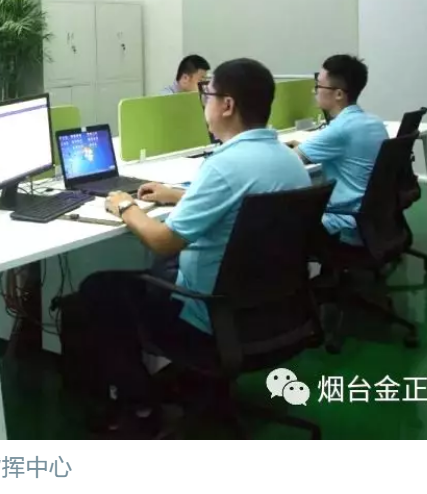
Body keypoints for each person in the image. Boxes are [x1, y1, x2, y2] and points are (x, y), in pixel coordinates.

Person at [78, 58, 311, 436]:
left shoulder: (223, 165)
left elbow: (162, 241)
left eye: (208, 95)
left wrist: (124, 205)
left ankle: (139, 405)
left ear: (227, 105)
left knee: (98, 291)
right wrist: (177, 195)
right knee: (147, 277)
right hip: (275, 311)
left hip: (210, 318)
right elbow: (238, 201)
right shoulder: (289, 161)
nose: (204, 103)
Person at [289, 54, 388, 246]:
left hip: (346, 222)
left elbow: (291, 160)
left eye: (319, 86)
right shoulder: (375, 122)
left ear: (339, 94)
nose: (314, 91)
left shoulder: (340, 129)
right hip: (374, 219)